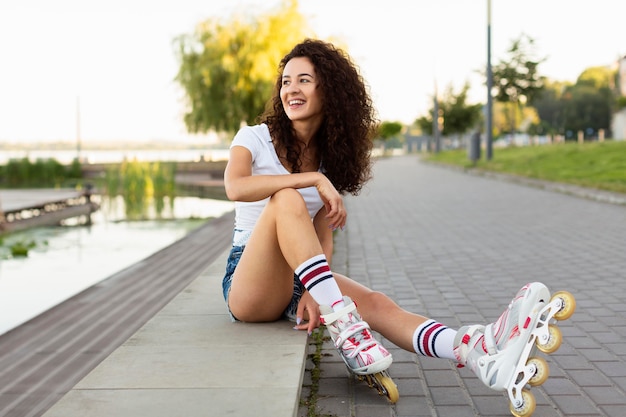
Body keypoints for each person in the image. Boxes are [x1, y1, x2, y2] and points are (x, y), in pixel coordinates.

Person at [222, 38, 572, 413]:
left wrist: (312, 288)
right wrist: (309, 181)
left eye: (304, 80)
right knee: (287, 198)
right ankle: (346, 327)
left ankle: (477, 350)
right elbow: (235, 186)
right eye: (286, 81)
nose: (291, 88)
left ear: (330, 90)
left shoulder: (330, 158)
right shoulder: (253, 138)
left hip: (300, 274)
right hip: (249, 281)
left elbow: (322, 236)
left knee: (377, 302)